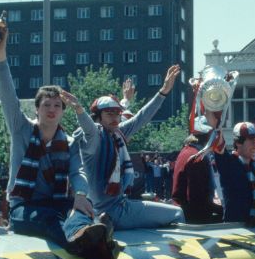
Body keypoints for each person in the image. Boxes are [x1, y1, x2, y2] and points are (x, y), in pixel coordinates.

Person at [0, 21, 112, 259]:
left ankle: (92, 234)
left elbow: (78, 172)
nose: (52, 110)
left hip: (56, 203)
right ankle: (85, 243)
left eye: (57, 106)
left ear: (63, 111)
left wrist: (82, 194)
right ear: (37, 108)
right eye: (47, 105)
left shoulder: (71, 142)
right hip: (23, 208)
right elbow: (7, 94)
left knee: (81, 211)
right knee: (50, 219)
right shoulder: (21, 128)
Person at [64, 66, 184, 231]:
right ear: (98, 118)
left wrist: (163, 91)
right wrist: (79, 110)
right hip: (113, 210)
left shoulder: (116, 134)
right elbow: (89, 128)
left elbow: (141, 117)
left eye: (117, 115)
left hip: (115, 207)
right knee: (177, 213)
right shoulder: (94, 137)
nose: (115, 119)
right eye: (110, 115)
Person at [171, 129, 224, 224]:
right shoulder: (198, 158)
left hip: (182, 214)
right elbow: (196, 198)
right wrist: (222, 211)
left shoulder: (185, 151)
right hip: (194, 219)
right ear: (209, 136)